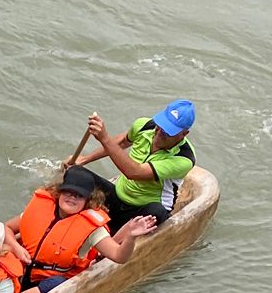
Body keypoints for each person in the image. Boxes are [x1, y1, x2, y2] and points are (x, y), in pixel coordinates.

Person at [5, 167, 159, 293]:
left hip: (48, 280)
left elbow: (119, 256)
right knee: (2, 258)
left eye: (79, 196)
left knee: (55, 283)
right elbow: (7, 228)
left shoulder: (92, 227)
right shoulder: (41, 207)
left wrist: (131, 237)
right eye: (68, 192)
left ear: (88, 200)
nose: (72, 198)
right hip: (22, 267)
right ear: (59, 192)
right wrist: (17, 248)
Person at [74, 100, 197, 233]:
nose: (160, 132)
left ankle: (117, 242)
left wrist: (104, 138)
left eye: (168, 131)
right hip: (118, 196)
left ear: (184, 134)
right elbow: (120, 143)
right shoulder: (144, 125)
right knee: (75, 173)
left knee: (156, 212)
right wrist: (84, 159)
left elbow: (134, 173)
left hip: (143, 209)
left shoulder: (184, 159)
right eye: (161, 125)